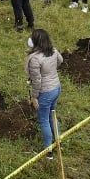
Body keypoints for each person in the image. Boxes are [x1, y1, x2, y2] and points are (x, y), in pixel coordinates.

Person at [26, 29, 64, 157]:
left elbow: (36, 81)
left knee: (43, 120)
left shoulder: (35, 59)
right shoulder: (53, 50)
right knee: (52, 115)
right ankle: (58, 142)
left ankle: (48, 151)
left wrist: (35, 97)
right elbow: (60, 61)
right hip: (56, 88)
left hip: (45, 92)